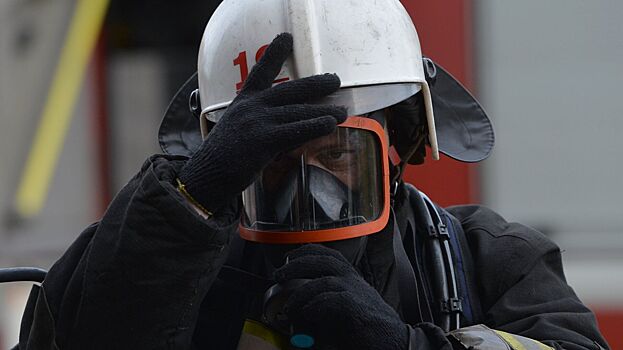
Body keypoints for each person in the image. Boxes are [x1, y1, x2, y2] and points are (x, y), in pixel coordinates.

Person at [16, 0, 609, 349]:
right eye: (274, 157)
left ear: (397, 149)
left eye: (337, 152)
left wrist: (409, 346)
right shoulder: (141, 263)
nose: (309, 186)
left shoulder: (485, 262)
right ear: (227, 155)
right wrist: (187, 202)